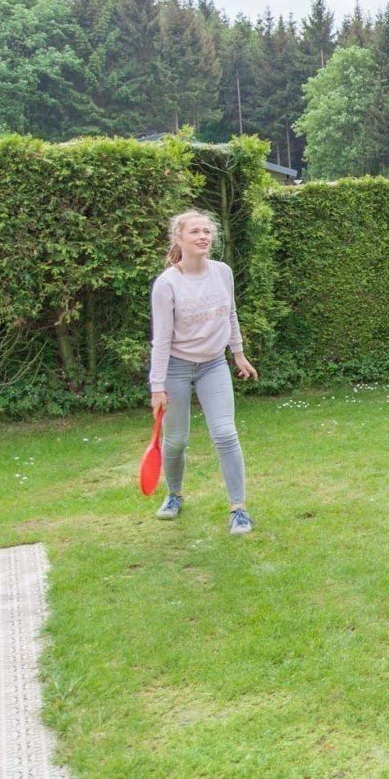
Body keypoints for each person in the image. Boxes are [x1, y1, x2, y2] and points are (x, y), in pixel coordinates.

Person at [149, 210, 259, 535]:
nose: (202, 237)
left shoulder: (222, 272)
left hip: (214, 365)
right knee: (176, 442)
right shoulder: (166, 284)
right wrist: (157, 387)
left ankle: (239, 509)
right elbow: (162, 340)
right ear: (179, 238)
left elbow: (231, 314)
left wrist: (238, 354)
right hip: (176, 369)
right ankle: (174, 495)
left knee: (226, 433)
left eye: (206, 232)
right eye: (195, 232)